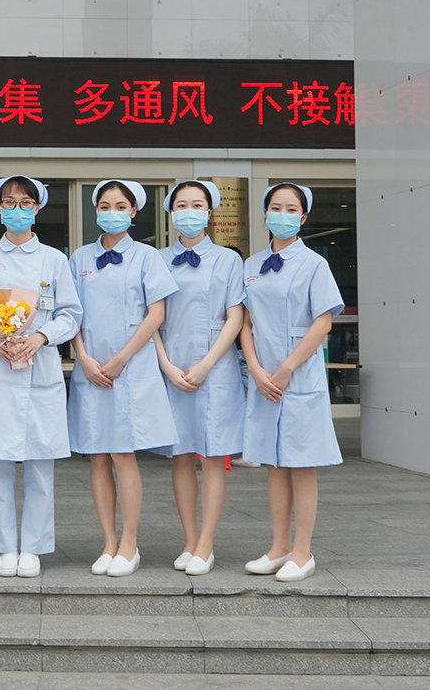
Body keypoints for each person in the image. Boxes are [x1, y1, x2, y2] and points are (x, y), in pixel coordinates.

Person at [0, 175, 82, 579]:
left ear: (37, 209)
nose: (18, 209)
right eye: (10, 202)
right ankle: (4, 547)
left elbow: (71, 313)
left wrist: (41, 337)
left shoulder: (54, 259)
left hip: (39, 368)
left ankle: (32, 547)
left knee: (40, 467)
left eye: (26, 203)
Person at [68, 180, 177, 577]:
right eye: (104, 205)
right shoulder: (80, 257)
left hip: (129, 369)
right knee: (97, 456)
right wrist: (82, 357)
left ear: (133, 212)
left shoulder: (147, 256)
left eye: (119, 206)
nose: (110, 212)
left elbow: (156, 314)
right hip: (91, 368)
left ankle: (129, 543)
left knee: (122, 454)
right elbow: (70, 312)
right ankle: (108, 543)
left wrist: (121, 359)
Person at [241, 182, 344, 583]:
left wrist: (286, 369)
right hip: (263, 376)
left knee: (301, 463)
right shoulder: (251, 265)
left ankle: (303, 552)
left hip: (297, 377)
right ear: (265, 213)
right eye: (275, 207)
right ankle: (279, 546)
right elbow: (244, 322)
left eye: (290, 209)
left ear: (302, 218)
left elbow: (323, 322)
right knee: (273, 462)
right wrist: (255, 368)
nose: (281, 215)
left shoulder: (314, 264)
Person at [152, 181, 246, 577]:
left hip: (215, 367)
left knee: (212, 455)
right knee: (180, 455)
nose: (189, 211)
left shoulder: (228, 260)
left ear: (209, 213)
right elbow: (150, 319)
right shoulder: (156, 259)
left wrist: (207, 364)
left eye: (197, 205)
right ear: (171, 212)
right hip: (172, 365)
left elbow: (235, 316)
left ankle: (206, 543)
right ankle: (189, 540)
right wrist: (166, 365)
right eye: (181, 205)